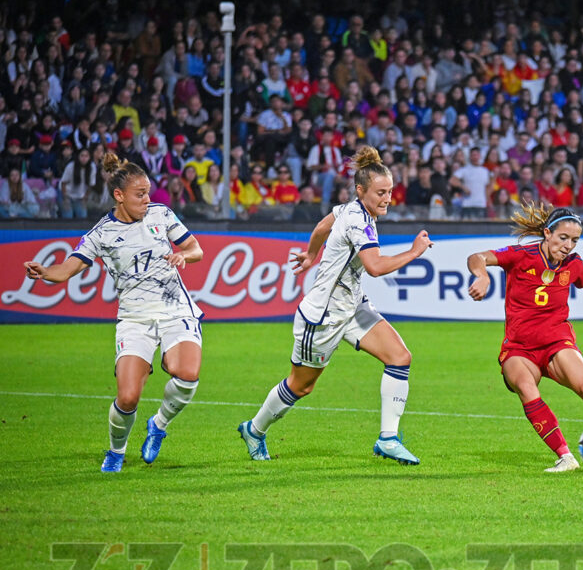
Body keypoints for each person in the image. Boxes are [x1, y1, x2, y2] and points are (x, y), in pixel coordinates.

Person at [237, 147, 433, 464]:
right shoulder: (359, 221)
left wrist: (312, 253)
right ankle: (255, 430)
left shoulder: (351, 210)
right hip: (323, 316)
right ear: (361, 191)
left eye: (390, 192)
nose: (387, 199)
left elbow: (322, 226)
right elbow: (375, 266)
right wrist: (415, 251)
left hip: (351, 306)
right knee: (301, 387)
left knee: (400, 357)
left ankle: (388, 439)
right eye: (381, 193)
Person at [22, 153, 204, 472]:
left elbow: (196, 249)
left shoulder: (162, 214)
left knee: (186, 372)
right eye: (140, 194)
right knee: (129, 397)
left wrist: (183, 257)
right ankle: (116, 451)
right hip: (134, 319)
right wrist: (44, 272)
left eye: (148, 192)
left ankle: (158, 426)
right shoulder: (102, 234)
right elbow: (67, 270)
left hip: (176, 309)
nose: (147, 199)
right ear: (119, 195)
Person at [466, 204, 583, 472]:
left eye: (575, 240)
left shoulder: (574, 264)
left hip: (557, 342)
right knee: (525, 387)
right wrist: (482, 275)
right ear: (547, 233)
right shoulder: (521, 255)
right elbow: (476, 257)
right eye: (563, 238)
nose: (568, 245)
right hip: (519, 348)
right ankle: (565, 456)